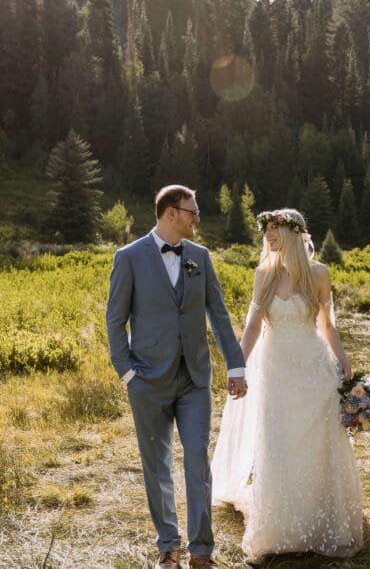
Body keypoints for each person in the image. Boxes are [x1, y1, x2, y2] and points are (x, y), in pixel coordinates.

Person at [106, 184, 248, 569]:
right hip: (147, 382)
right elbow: (115, 321)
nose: (197, 217)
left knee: (198, 462)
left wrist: (235, 365)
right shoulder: (129, 257)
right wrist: (128, 373)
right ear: (172, 212)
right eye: (193, 211)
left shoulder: (200, 256)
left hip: (194, 380)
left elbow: (217, 314)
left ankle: (202, 552)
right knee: (157, 465)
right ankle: (169, 547)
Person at [211, 208, 364, 563]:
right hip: (274, 369)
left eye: (275, 232)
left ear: (295, 234)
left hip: (312, 369)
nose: (269, 238)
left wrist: (341, 357)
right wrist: (238, 366)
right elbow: (251, 328)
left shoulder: (318, 274)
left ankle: (319, 518)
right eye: (266, 234)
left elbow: (327, 325)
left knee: (316, 442)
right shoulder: (263, 274)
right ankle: (278, 527)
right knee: (277, 441)